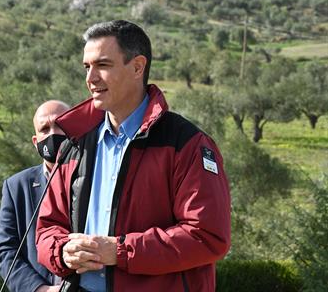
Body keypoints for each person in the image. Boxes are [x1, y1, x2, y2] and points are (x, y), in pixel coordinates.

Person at [35, 20, 231, 292]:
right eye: (87, 67)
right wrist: (63, 250)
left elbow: (207, 236)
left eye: (103, 65)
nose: (90, 78)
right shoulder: (74, 145)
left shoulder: (187, 144)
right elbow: (47, 229)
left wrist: (120, 251)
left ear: (138, 67)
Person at [0, 100, 70, 292]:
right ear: (36, 142)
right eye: (45, 128)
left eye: (60, 125)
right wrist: (40, 289)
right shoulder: (16, 186)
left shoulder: (95, 178)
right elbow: (4, 251)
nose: (53, 134)